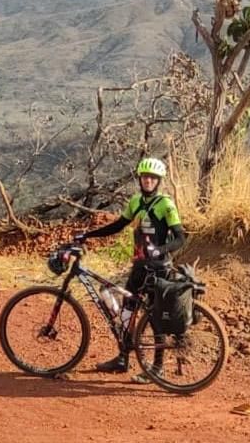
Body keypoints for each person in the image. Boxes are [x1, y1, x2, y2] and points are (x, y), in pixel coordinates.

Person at [76, 157, 185, 382]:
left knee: (155, 318)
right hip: (139, 267)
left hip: (159, 270)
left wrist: (160, 249)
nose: (148, 182)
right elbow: (118, 225)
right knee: (128, 309)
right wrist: (88, 235)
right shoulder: (135, 201)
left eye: (153, 179)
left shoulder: (166, 204)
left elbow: (181, 238)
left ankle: (157, 367)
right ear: (140, 179)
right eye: (145, 177)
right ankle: (122, 358)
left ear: (159, 181)